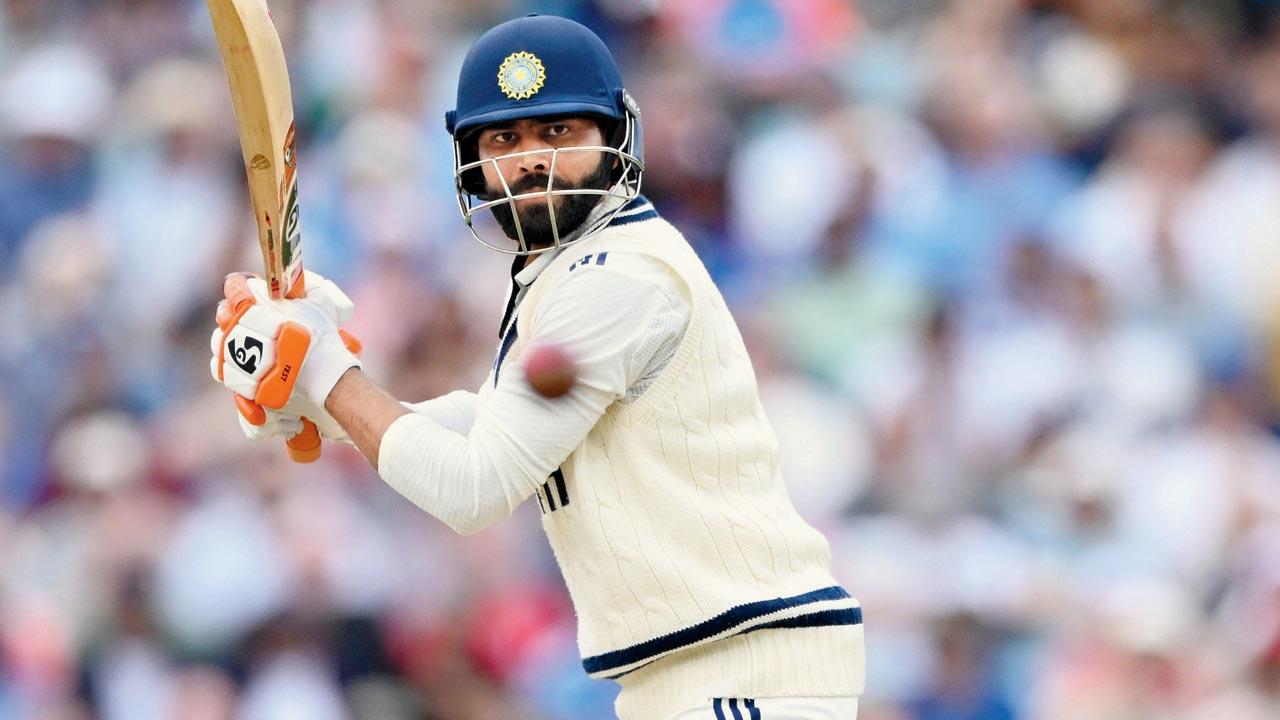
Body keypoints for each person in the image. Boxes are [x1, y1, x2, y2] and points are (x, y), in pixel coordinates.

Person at [210, 14, 865, 719]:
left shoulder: (619, 277)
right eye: (504, 139)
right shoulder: (562, 270)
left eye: (558, 132)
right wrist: (319, 406)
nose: (530, 160)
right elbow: (490, 424)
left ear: (615, 140)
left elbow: (474, 486)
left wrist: (326, 375)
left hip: (741, 669)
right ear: (470, 160)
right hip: (697, 673)